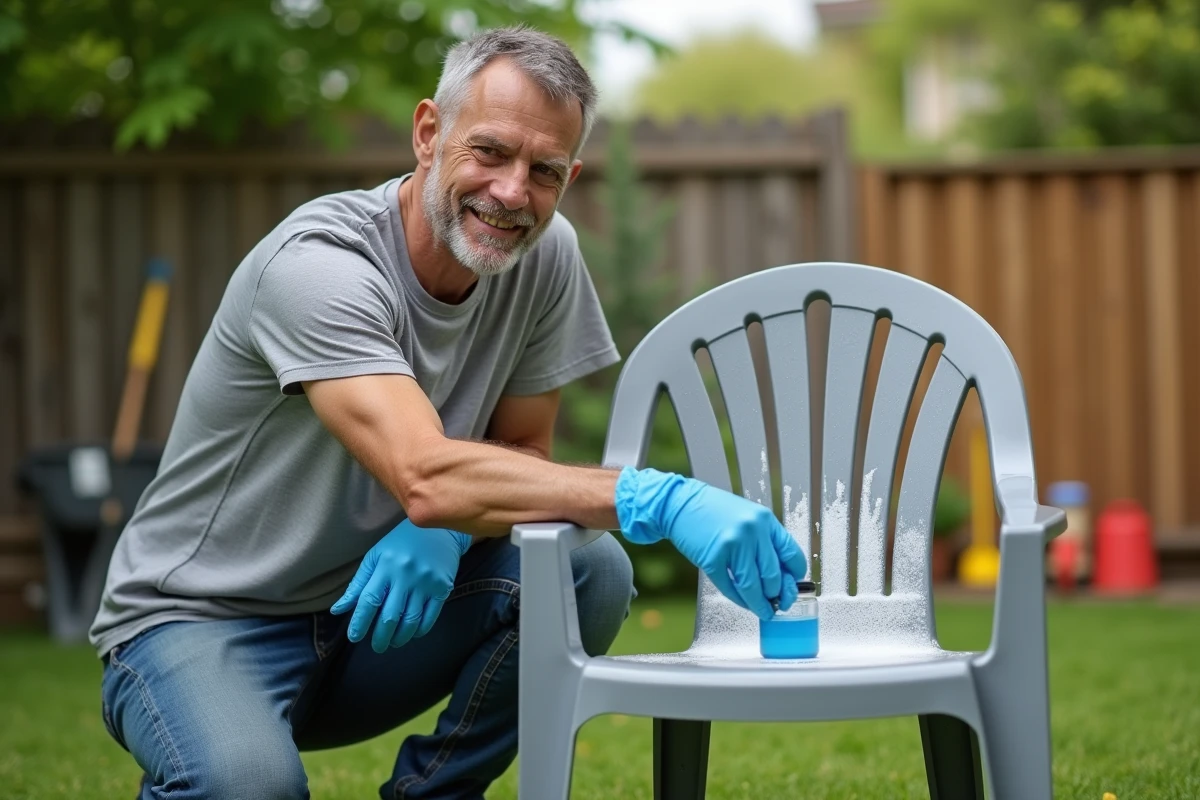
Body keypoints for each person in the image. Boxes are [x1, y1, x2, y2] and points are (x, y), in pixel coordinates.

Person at [91, 24, 807, 800]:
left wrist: (448, 531)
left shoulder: (546, 257)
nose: (512, 193)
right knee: (247, 786)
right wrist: (661, 498)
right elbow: (424, 474)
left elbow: (524, 451)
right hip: (200, 623)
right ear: (429, 132)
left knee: (585, 569)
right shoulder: (317, 267)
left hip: (373, 623)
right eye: (491, 152)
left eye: (546, 171)